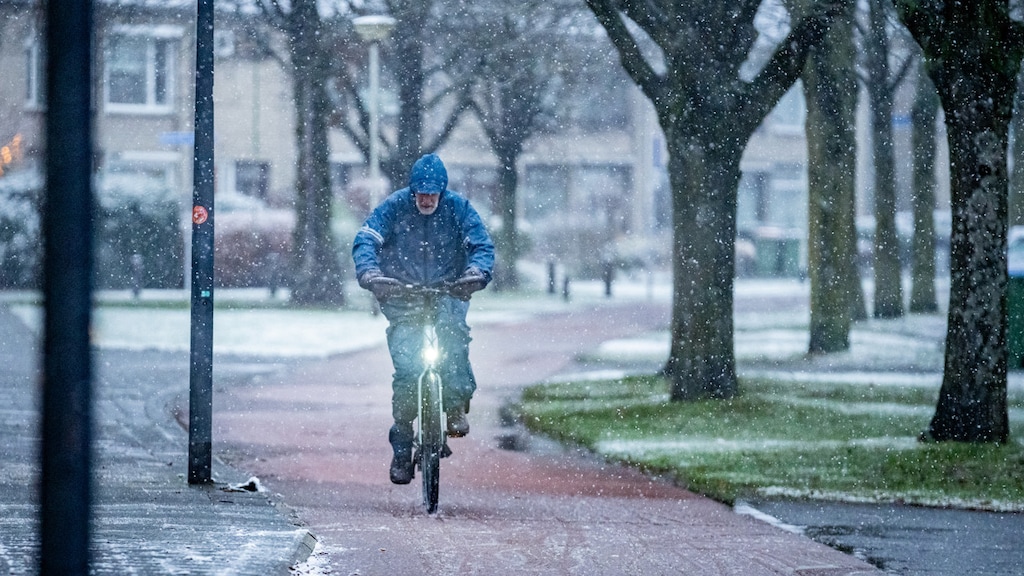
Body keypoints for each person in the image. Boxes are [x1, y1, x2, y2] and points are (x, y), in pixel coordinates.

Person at [352, 153, 495, 485]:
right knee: (407, 367)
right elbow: (366, 239)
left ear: (442, 192)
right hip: (403, 292)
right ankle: (402, 447)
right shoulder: (394, 207)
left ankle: (455, 405)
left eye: (433, 194)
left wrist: (476, 272)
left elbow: (481, 245)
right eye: (421, 193)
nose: (427, 200)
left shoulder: (459, 209)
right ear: (412, 190)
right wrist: (370, 272)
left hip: (449, 289)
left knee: (453, 335)